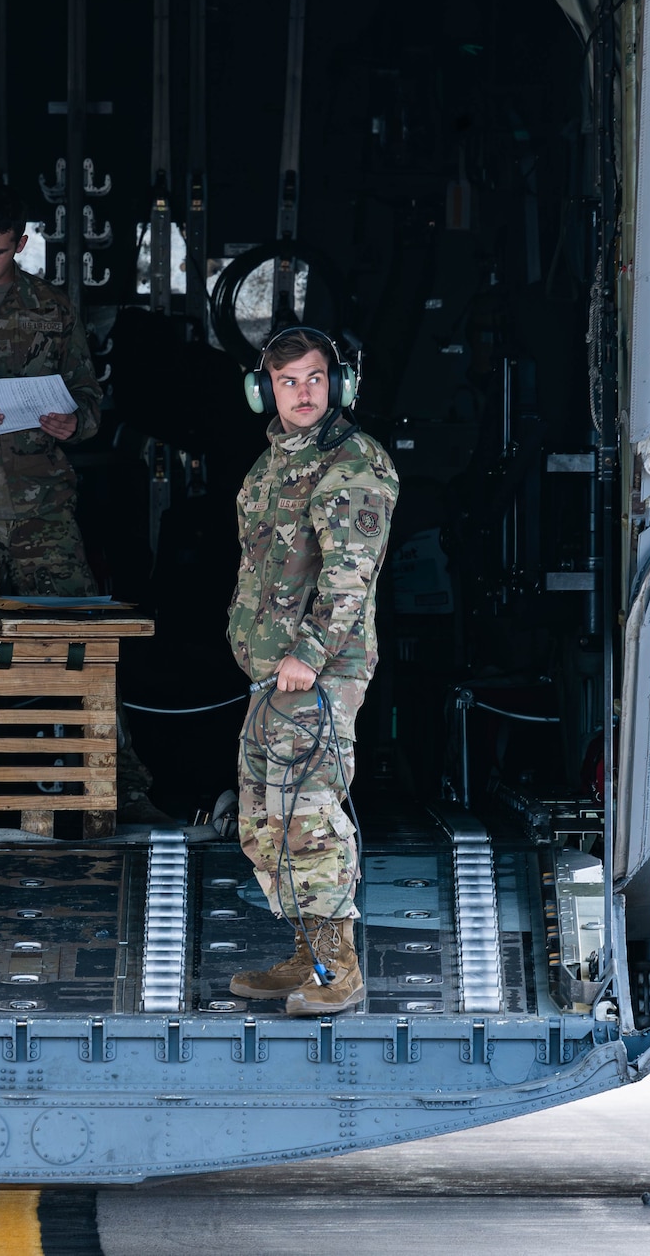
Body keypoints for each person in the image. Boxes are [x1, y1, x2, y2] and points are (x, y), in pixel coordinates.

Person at [0, 183, 170, 826]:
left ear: (21, 243)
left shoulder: (52, 308)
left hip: (43, 509)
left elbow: (89, 396)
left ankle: (120, 786)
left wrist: (78, 424)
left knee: (80, 641)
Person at [225, 326, 398, 1015]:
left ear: (338, 384)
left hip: (314, 676)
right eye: (288, 379)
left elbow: (348, 578)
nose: (303, 392)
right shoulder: (274, 463)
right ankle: (309, 953)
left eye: (316, 377)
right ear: (265, 386)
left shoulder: (350, 462)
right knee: (265, 820)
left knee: (310, 816)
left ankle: (339, 971)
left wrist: (308, 655)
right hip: (273, 678)